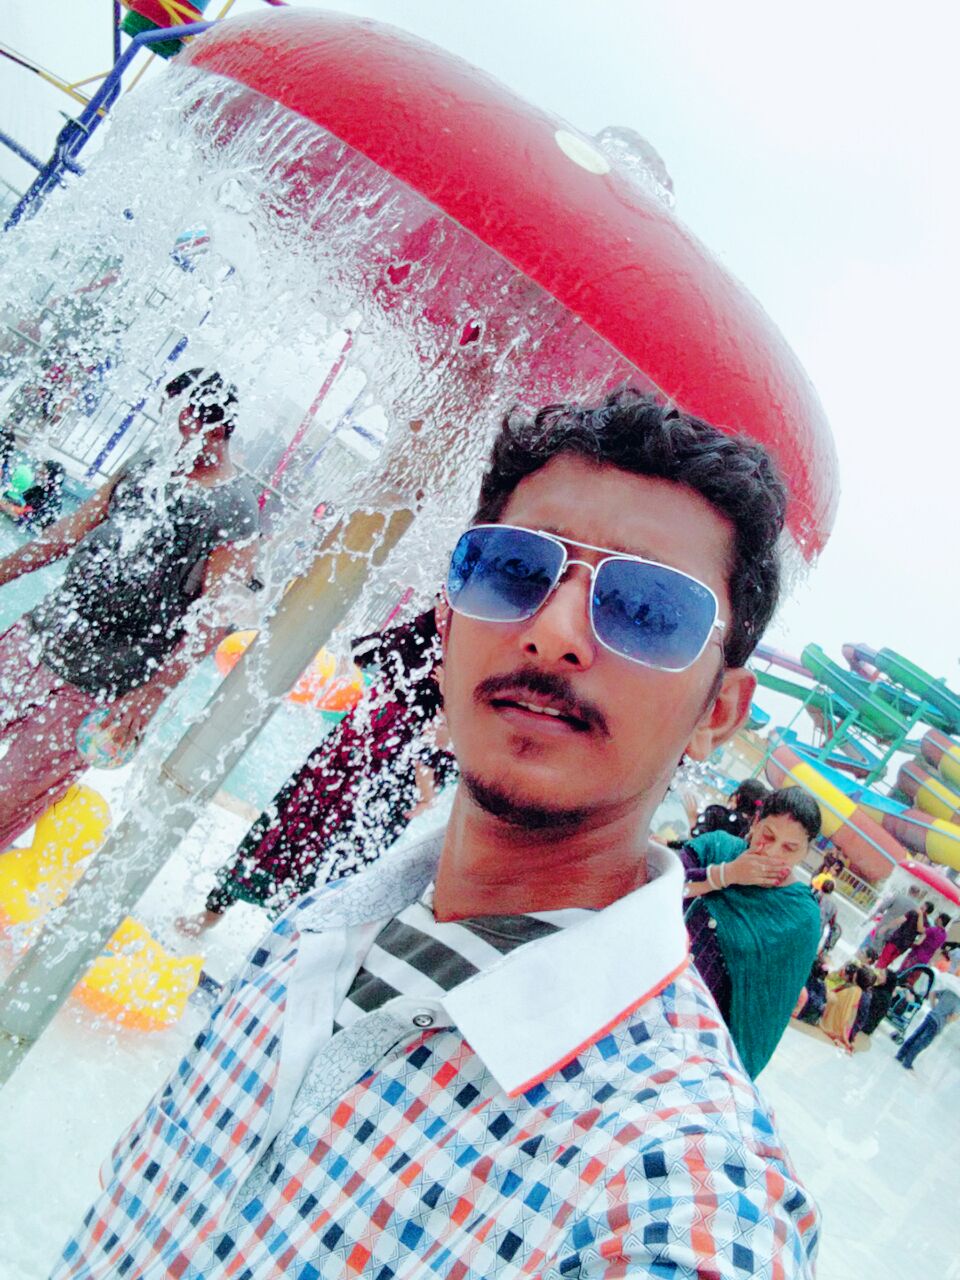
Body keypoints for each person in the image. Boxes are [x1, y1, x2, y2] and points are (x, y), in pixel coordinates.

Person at [54, 390, 820, 1278]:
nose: (553, 634)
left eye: (648, 610)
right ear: (449, 621)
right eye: (514, 570)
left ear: (719, 710)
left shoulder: (670, 1181)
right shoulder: (310, 936)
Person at [0, 368, 260, 848]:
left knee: (9, 794)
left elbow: (213, 615)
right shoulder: (148, 465)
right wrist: (4, 570)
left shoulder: (235, 508)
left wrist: (154, 691)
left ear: (215, 428)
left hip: (101, 683)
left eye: (179, 419)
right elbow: (71, 531)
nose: (168, 431)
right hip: (40, 635)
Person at [177, 609, 459, 934]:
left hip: (352, 758)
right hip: (376, 776)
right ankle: (284, 934)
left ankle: (215, 915)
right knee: (327, 860)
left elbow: (359, 652)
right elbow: (433, 743)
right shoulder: (450, 650)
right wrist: (427, 794)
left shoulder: (433, 636)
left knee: (284, 833)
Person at [680, 787, 823, 1075]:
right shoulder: (717, 848)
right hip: (644, 992)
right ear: (756, 822)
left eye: (789, 848)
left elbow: (768, 1011)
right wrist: (726, 874)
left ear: (806, 852)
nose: (771, 852)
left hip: (701, 1047)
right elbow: (656, 885)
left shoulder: (801, 916)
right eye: (767, 836)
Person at [894, 975, 960, 1069]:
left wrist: (934, 1006)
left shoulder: (947, 991)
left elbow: (932, 993)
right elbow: (952, 1017)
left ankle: (900, 1055)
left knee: (916, 1035)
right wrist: (952, 1018)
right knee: (922, 1042)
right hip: (938, 1023)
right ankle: (908, 1062)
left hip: (930, 1016)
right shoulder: (958, 1002)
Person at [686, 775, 768, 840]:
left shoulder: (716, 813)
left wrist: (692, 821)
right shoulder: (748, 833)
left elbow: (694, 843)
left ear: (738, 796)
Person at [0, 457, 65, 531]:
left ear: (51, 479)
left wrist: (5, 507)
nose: (37, 474)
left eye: (42, 473)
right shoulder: (38, 489)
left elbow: (27, 523)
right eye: (39, 471)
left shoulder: (51, 501)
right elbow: (19, 502)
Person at [862, 882, 922, 951]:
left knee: (873, 944)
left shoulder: (898, 897)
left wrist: (875, 915)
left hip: (884, 923)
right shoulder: (915, 907)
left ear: (909, 890)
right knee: (881, 949)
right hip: (896, 931)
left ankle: (865, 954)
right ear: (917, 894)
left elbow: (883, 907)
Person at [876, 898, 930, 969]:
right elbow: (899, 920)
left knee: (884, 958)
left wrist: (886, 927)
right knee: (887, 960)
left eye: (923, 906)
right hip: (904, 944)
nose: (920, 906)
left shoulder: (916, 915)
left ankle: (877, 970)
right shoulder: (925, 922)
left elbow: (900, 920)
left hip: (898, 939)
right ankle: (879, 971)